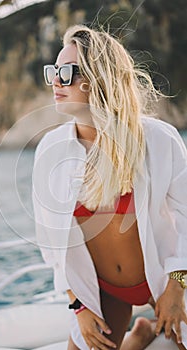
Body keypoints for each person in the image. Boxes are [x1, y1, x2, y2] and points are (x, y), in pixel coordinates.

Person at [32, 24, 187, 350]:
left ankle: (144, 331)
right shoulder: (51, 150)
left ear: (100, 77)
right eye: (53, 71)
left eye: (67, 72)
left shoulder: (158, 140)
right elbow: (52, 246)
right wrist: (79, 306)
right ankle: (140, 335)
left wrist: (177, 287)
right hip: (103, 291)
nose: (56, 82)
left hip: (166, 280)